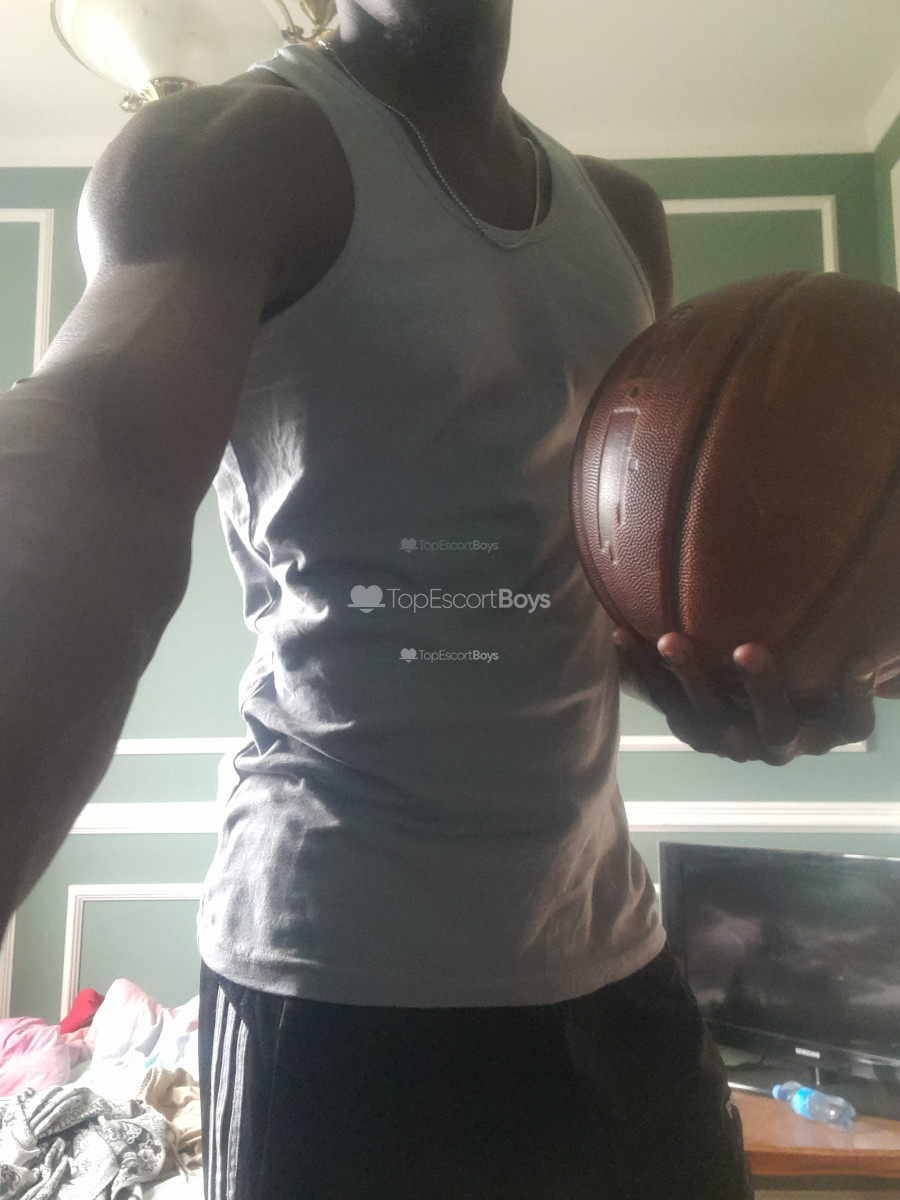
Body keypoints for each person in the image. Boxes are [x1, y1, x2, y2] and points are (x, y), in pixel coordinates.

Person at [0, 1, 887, 1196]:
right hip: (331, 976)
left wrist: (729, 667)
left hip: (612, 955)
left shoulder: (623, 218)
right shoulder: (227, 151)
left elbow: (588, 590)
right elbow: (97, 453)